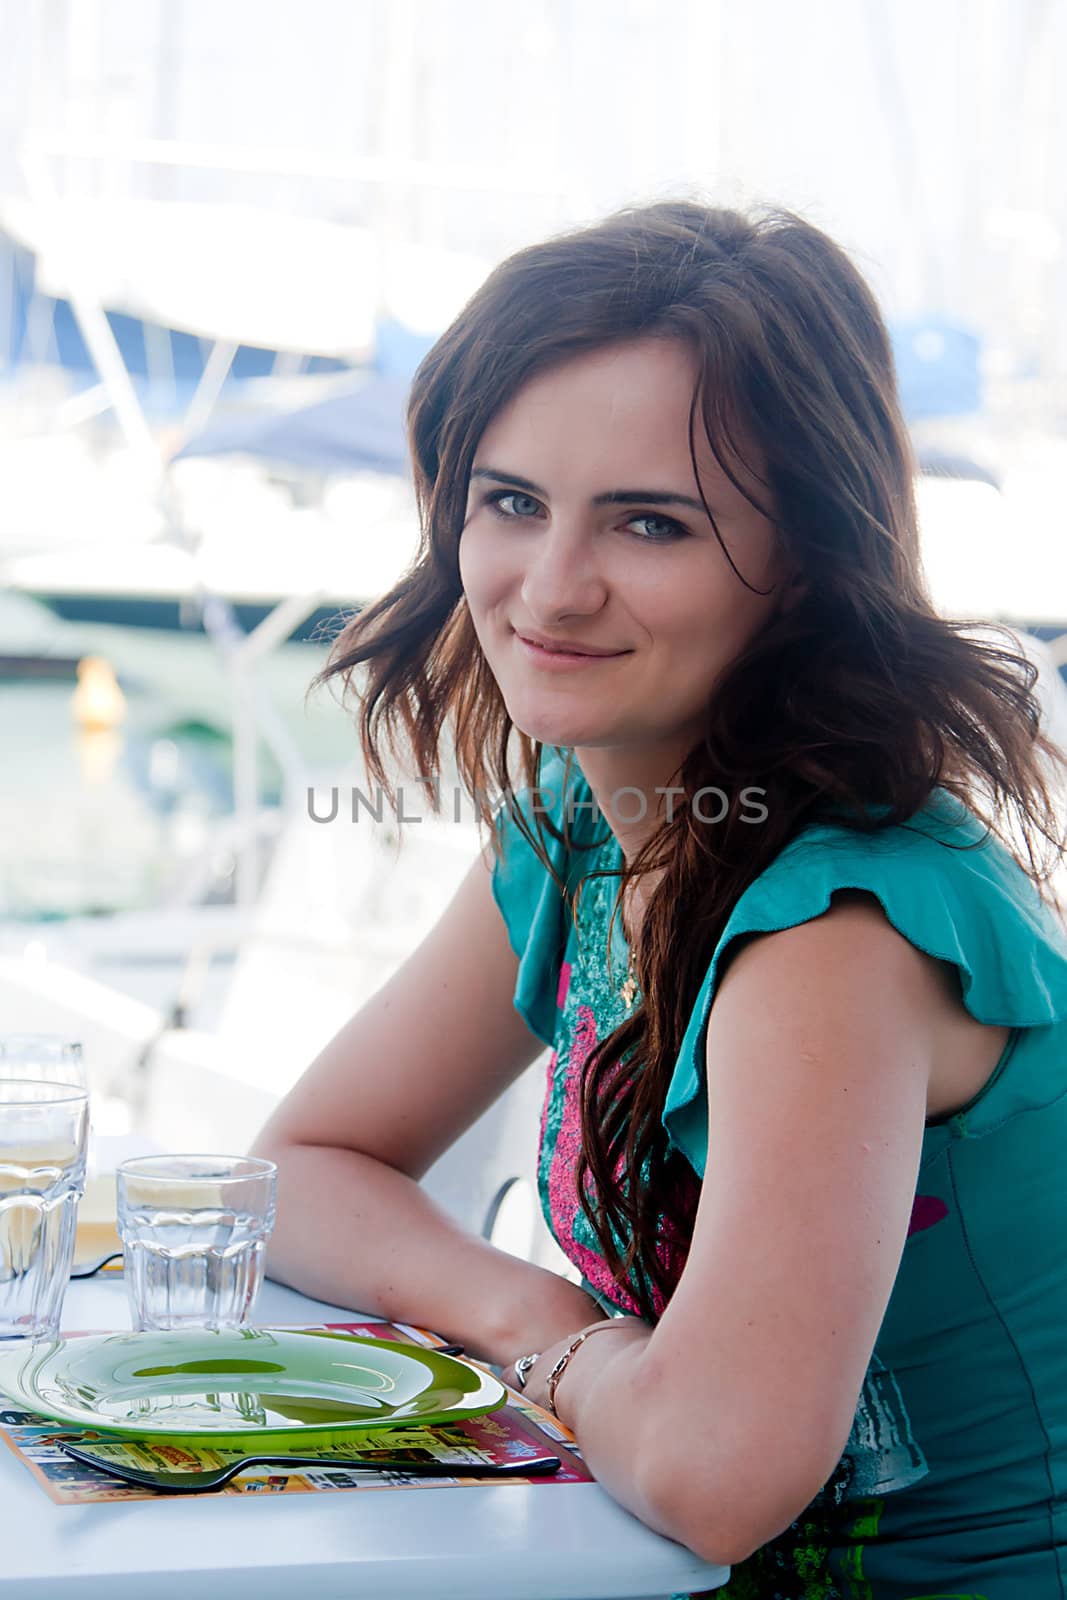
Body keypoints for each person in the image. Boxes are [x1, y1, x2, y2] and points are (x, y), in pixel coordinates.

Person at [250, 200, 1067, 1596]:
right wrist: (548, 1321)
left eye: (649, 523)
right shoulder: (581, 820)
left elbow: (714, 1469)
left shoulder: (838, 927)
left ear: (805, 565)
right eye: (511, 503)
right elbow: (304, 1173)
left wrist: (571, 1364)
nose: (551, 589)